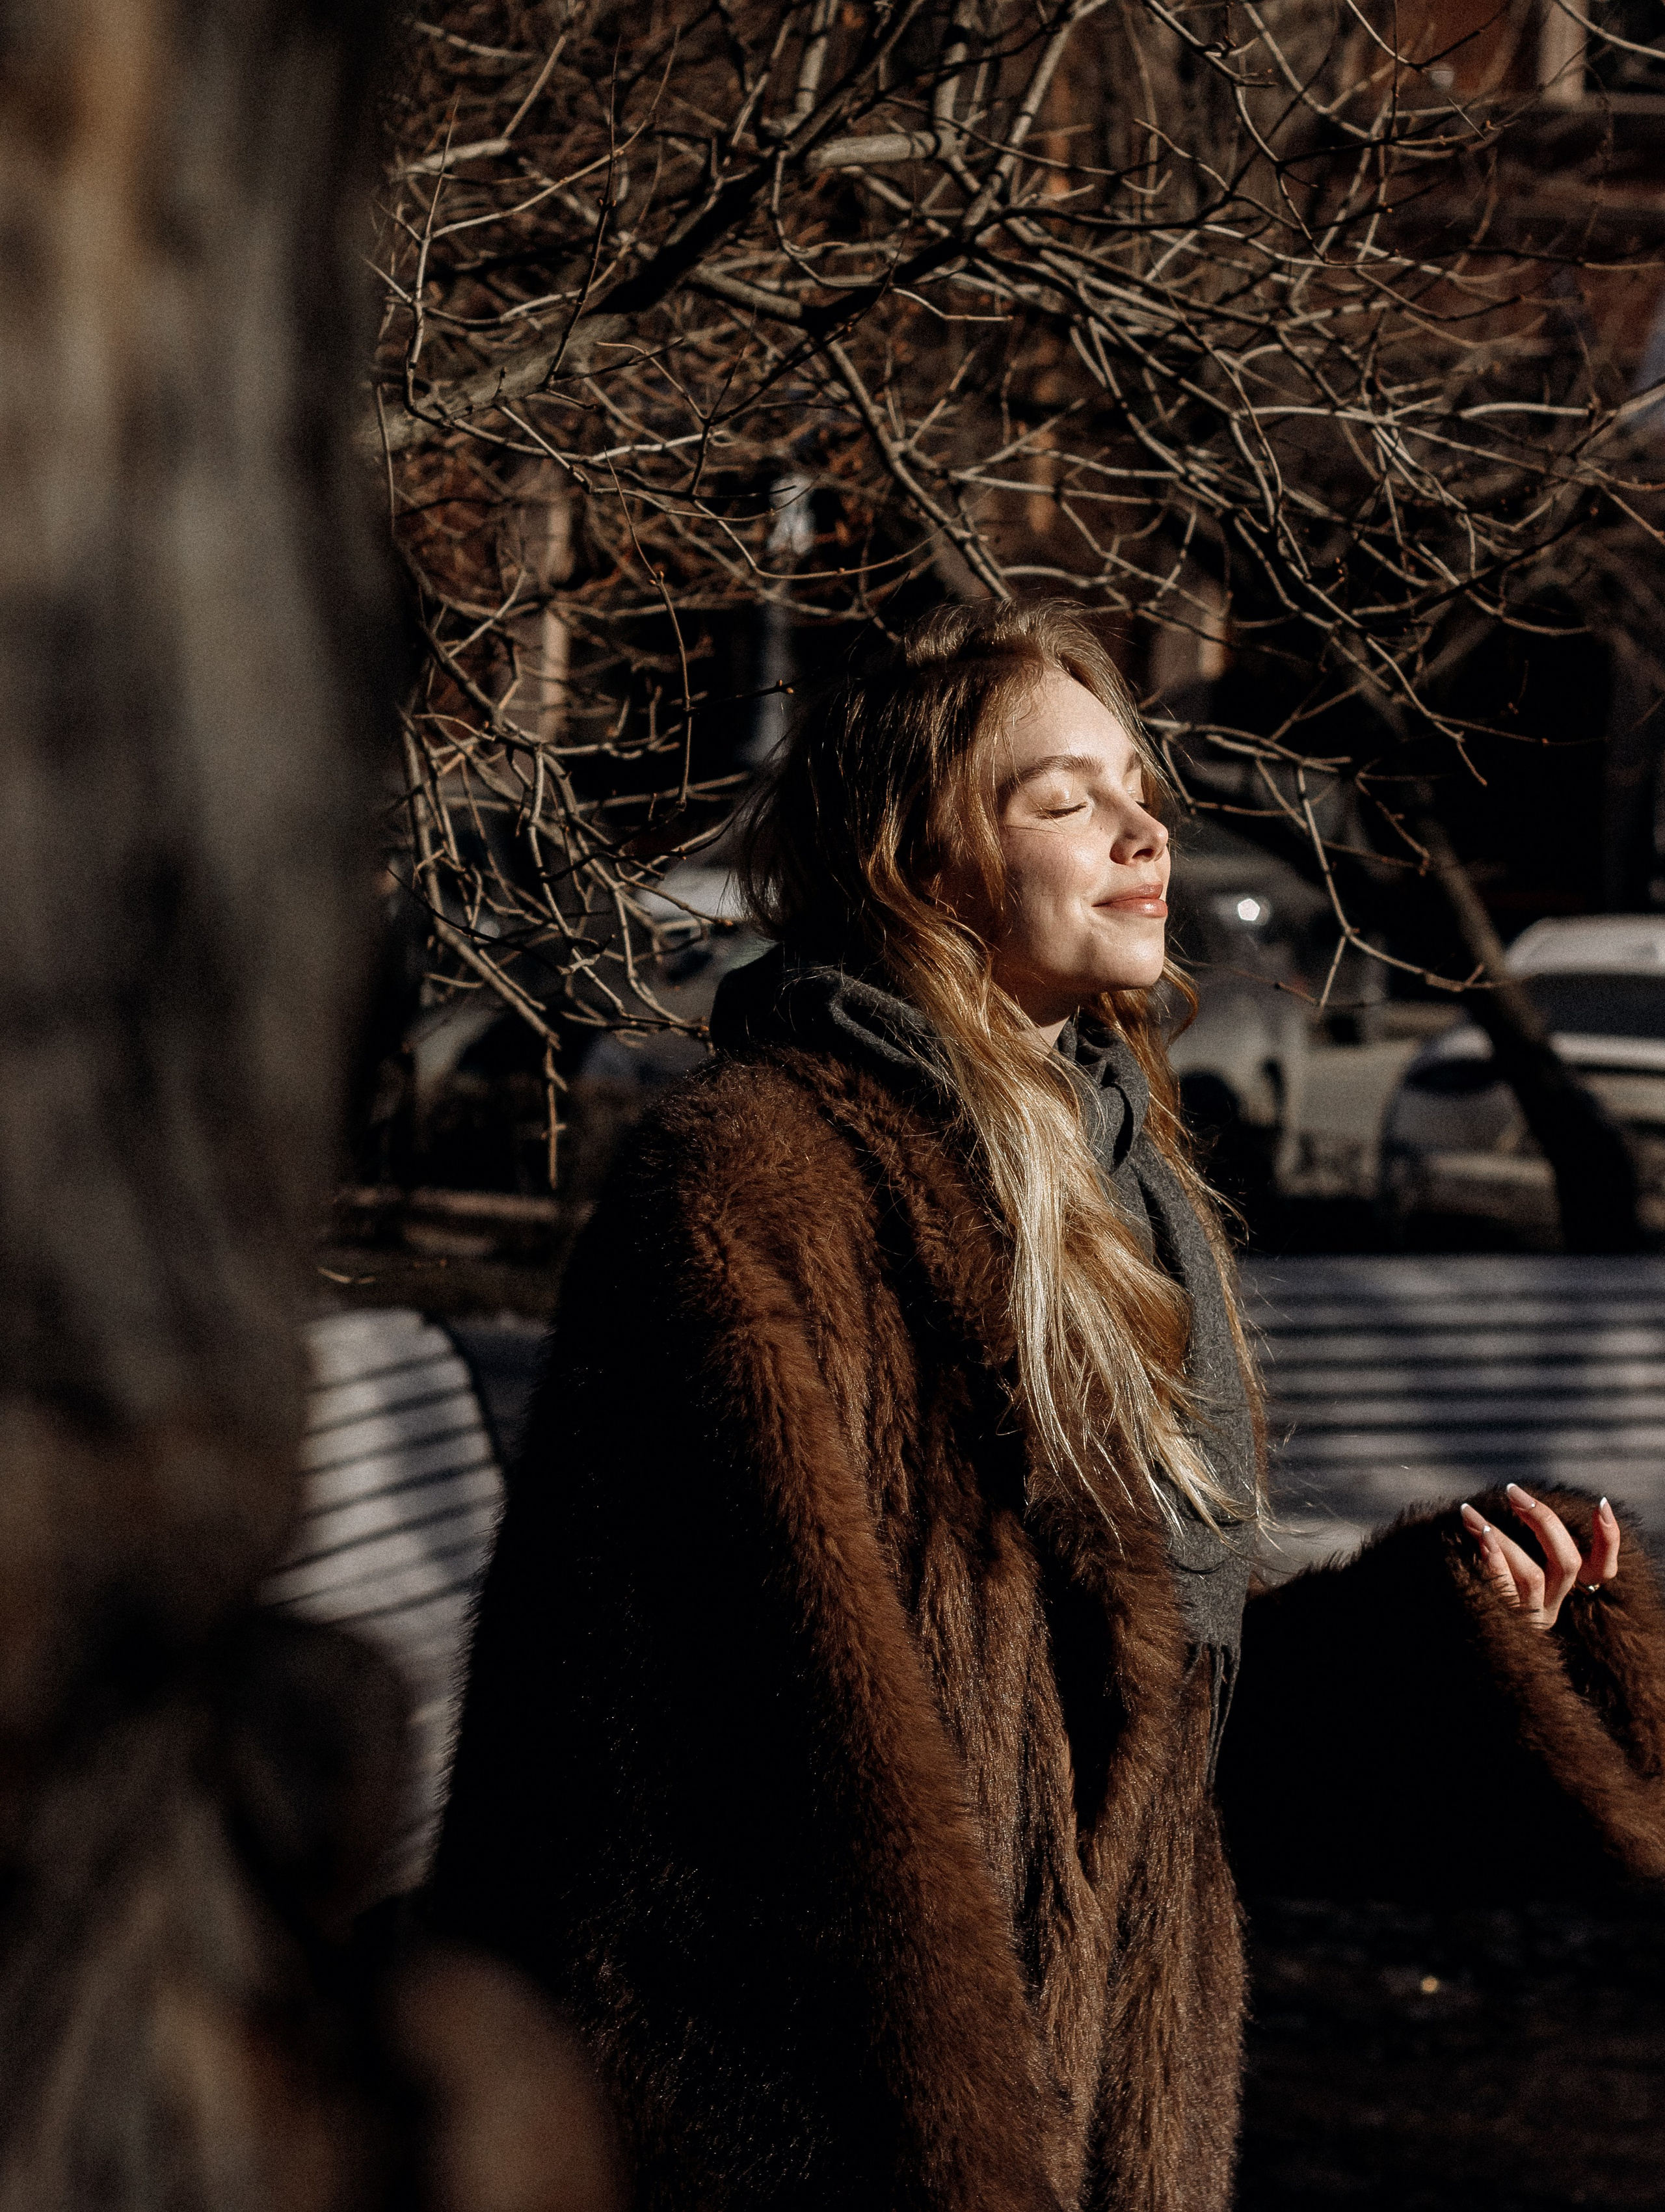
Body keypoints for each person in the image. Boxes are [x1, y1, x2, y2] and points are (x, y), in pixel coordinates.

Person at [433, 600, 1665, 2212]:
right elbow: (712, 1800)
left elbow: (1147, 1722)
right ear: (916, 858)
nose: (1145, 826)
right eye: (1064, 798)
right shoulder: (754, 1191)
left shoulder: (1122, 1180)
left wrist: (1446, 1626)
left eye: (1138, 785)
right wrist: (951, 2141)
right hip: (847, 2120)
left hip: (1110, 2075)